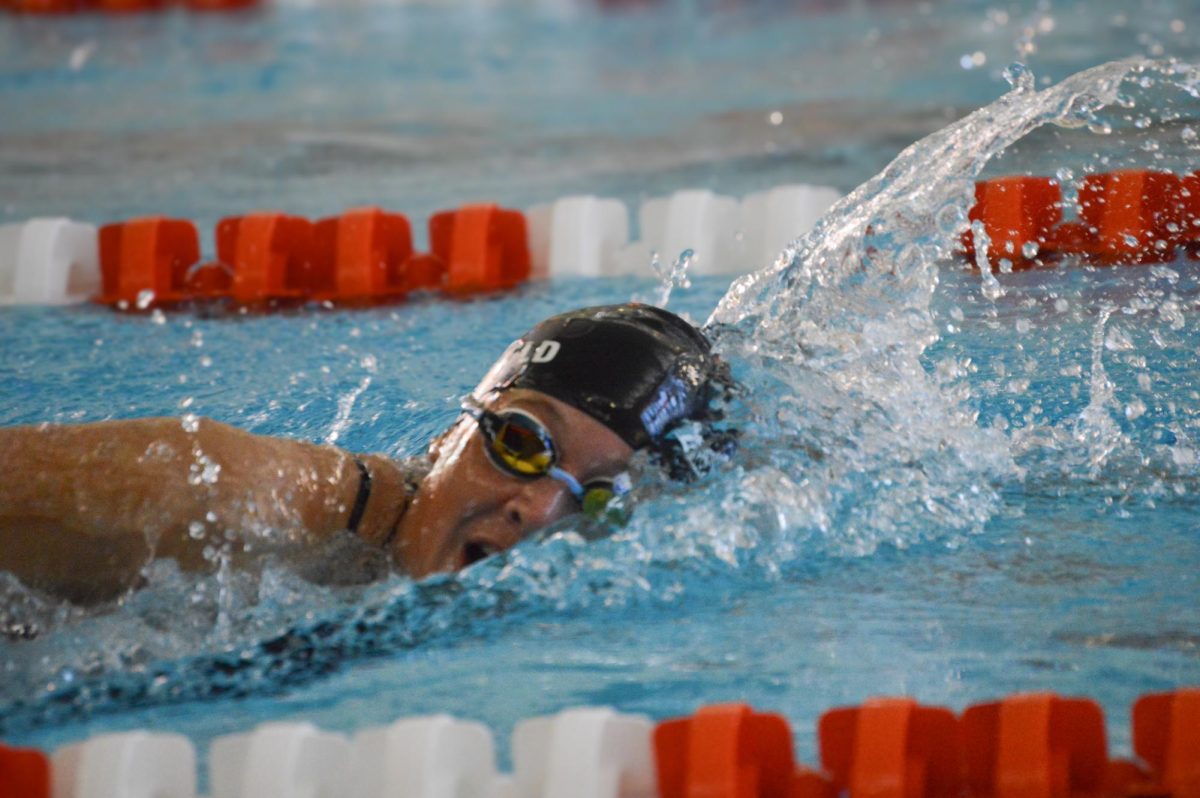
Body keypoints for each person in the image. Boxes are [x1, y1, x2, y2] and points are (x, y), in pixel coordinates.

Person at [0, 303, 732, 605]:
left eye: (598, 497)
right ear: (451, 434)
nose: (539, 508)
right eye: (522, 444)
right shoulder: (234, 489)